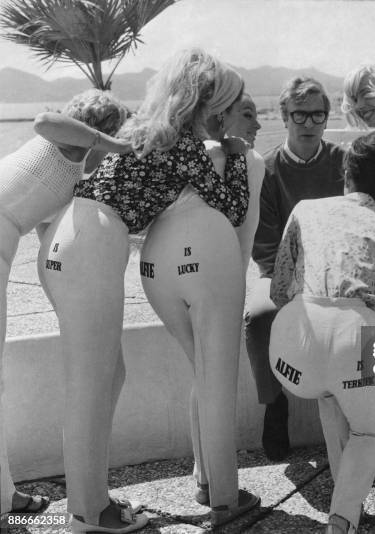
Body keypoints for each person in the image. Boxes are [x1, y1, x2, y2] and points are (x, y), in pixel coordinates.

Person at [37, 49, 258, 533]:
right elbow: (232, 207)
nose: (224, 114)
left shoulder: (141, 127)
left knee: (104, 378)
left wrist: (105, 144)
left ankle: (90, 503)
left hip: (66, 239)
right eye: (223, 104)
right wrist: (237, 158)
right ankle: (89, 515)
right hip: (93, 245)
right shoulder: (184, 147)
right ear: (207, 103)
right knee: (92, 386)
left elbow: (49, 125)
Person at [269, 130, 375, 534]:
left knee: (330, 396)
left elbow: (279, 288)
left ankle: (342, 492)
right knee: (370, 429)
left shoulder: (305, 210)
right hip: (354, 335)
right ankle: (343, 517)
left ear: (346, 168)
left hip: (293, 344)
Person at [0, 89, 129, 518]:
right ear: (99, 132)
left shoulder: (67, 171)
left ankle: (5, 498)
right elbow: (42, 119)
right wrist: (111, 143)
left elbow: (50, 243)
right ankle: (4, 501)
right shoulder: (62, 140)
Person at [139, 99, 265, 524]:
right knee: (219, 378)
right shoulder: (250, 159)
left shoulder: (177, 150)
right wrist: (234, 279)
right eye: (248, 114)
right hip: (209, 263)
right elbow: (243, 229)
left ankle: (203, 476)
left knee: (201, 372)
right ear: (220, 117)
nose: (258, 123)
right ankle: (225, 496)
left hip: (155, 267)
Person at [245, 77, 345, 461]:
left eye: (317, 115)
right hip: (281, 273)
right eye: (300, 115)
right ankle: (274, 405)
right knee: (258, 317)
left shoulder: (343, 163)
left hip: (335, 271)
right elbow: (264, 242)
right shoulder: (267, 169)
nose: (309, 123)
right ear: (285, 117)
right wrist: (292, 283)